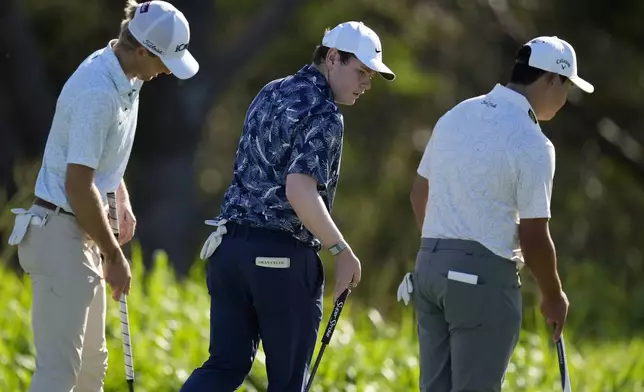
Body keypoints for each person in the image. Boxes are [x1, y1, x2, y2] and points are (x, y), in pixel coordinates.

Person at [180, 21, 395, 392]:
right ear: (332, 58)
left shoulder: (271, 90)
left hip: (228, 250)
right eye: (360, 71)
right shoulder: (326, 113)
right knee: (287, 383)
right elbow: (299, 190)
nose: (366, 83)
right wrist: (341, 250)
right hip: (280, 259)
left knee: (224, 366)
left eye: (370, 76)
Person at [7, 1, 199, 391]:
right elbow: (78, 185)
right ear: (142, 49)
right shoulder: (98, 91)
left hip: (80, 232)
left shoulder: (129, 76)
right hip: (59, 233)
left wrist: (119, 195)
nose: (166, 72)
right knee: (59, 372)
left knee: (91, 368)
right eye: (163, 61)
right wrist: (114, 256)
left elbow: (100, 161)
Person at [397, 36, 594, 392]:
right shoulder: (534, 143)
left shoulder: (456, 114)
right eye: (567, 88)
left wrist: (444, 251)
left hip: (428, 270)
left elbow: (419, 194)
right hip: (482, 283)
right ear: (551, 79)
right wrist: (552, 294)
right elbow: (534, 238)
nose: (566, 99)